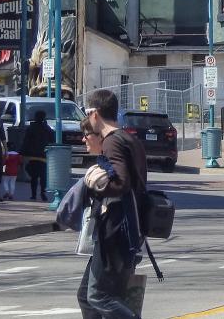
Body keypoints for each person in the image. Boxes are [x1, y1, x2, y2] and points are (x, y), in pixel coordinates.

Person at [77, 89, 148, 319]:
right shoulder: (128, 139)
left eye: (88, 114)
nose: (88, 121)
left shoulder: (112, 142)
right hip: (125, 230)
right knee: (87, 296)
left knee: (98, 296)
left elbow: (121, 183)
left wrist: (94, 185)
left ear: (95, 114)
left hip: (116, 230)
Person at [20, 109, 54, 201]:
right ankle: (43, 193)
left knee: (34, 177)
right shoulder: (47, 128)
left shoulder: (31, 128)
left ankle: (33, 194)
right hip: (43, 155)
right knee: (43, 176)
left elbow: (26, 141)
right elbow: (52, 139)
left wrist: (22, 152)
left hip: (32, 155)